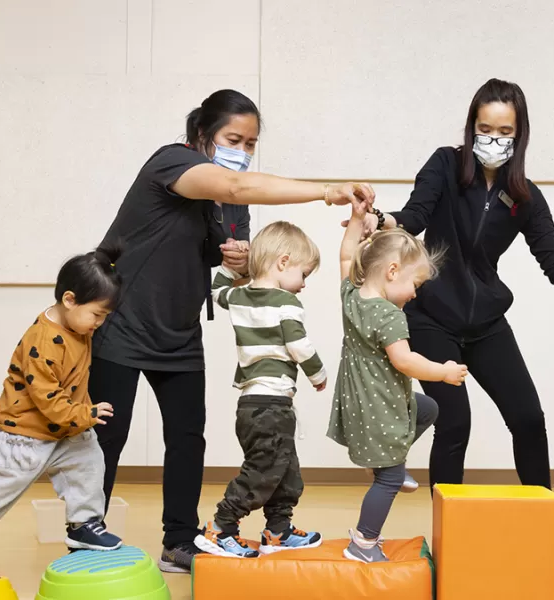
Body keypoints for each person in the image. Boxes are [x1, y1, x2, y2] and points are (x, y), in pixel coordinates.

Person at [91, 88, 376, 574]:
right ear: (203, 135)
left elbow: (235, 270)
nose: (242, 153)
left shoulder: (232, 207)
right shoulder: (172, 163)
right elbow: (236, 186)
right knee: (106, 437)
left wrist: (239, 263)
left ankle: (179, 541)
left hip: (178, 331)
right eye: (233, 139)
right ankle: (86, 531)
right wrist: (327, 191)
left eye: (250, 144)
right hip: (122, 320)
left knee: (187, 438)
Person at [348, 78, 554, 549]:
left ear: (519, 136)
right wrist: (380, 220)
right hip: (432, 317)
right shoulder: (444, 164)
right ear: (471, 127)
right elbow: (413, 216)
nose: (492, 138)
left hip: (486, 323)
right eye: (484, 127)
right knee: (455, 421)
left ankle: (549, 522)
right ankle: (446, 534)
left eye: (504, 131)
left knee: (527, 416)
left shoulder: (524, 196)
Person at [0, 248, 124, 576]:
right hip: (24, 435)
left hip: (63, 430)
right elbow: (49, 402)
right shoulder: (43, 342)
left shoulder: (77, 326)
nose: (99, 324)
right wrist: (87, 414)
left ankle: (83, 525)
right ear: (70, 300)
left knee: (89, 462)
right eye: (97, 315)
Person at [329, 201, 467, 563]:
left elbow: (346, 257)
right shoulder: (390, 316)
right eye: (414, 284)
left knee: (428, 408)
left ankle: (391, 463)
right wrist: (444, 371)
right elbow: (404, 361)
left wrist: (357, 223)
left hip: (358, 400)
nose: (415, 294)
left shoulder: (352, 296)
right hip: (379, 404)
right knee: (388, 481)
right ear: (392, 271)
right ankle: (363, 543)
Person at [198, 221, 328, 558]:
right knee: (262, 472)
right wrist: (318, 375)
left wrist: (227, 268)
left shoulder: (239, 297)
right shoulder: (286, 302)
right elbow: (299, 344)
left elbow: (215, 293)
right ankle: (220, 528)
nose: (303, 285)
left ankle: (278, 531)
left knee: (285, 472)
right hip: (271, 404)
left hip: (252, 404)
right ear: (283, 263)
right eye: (304, 274)